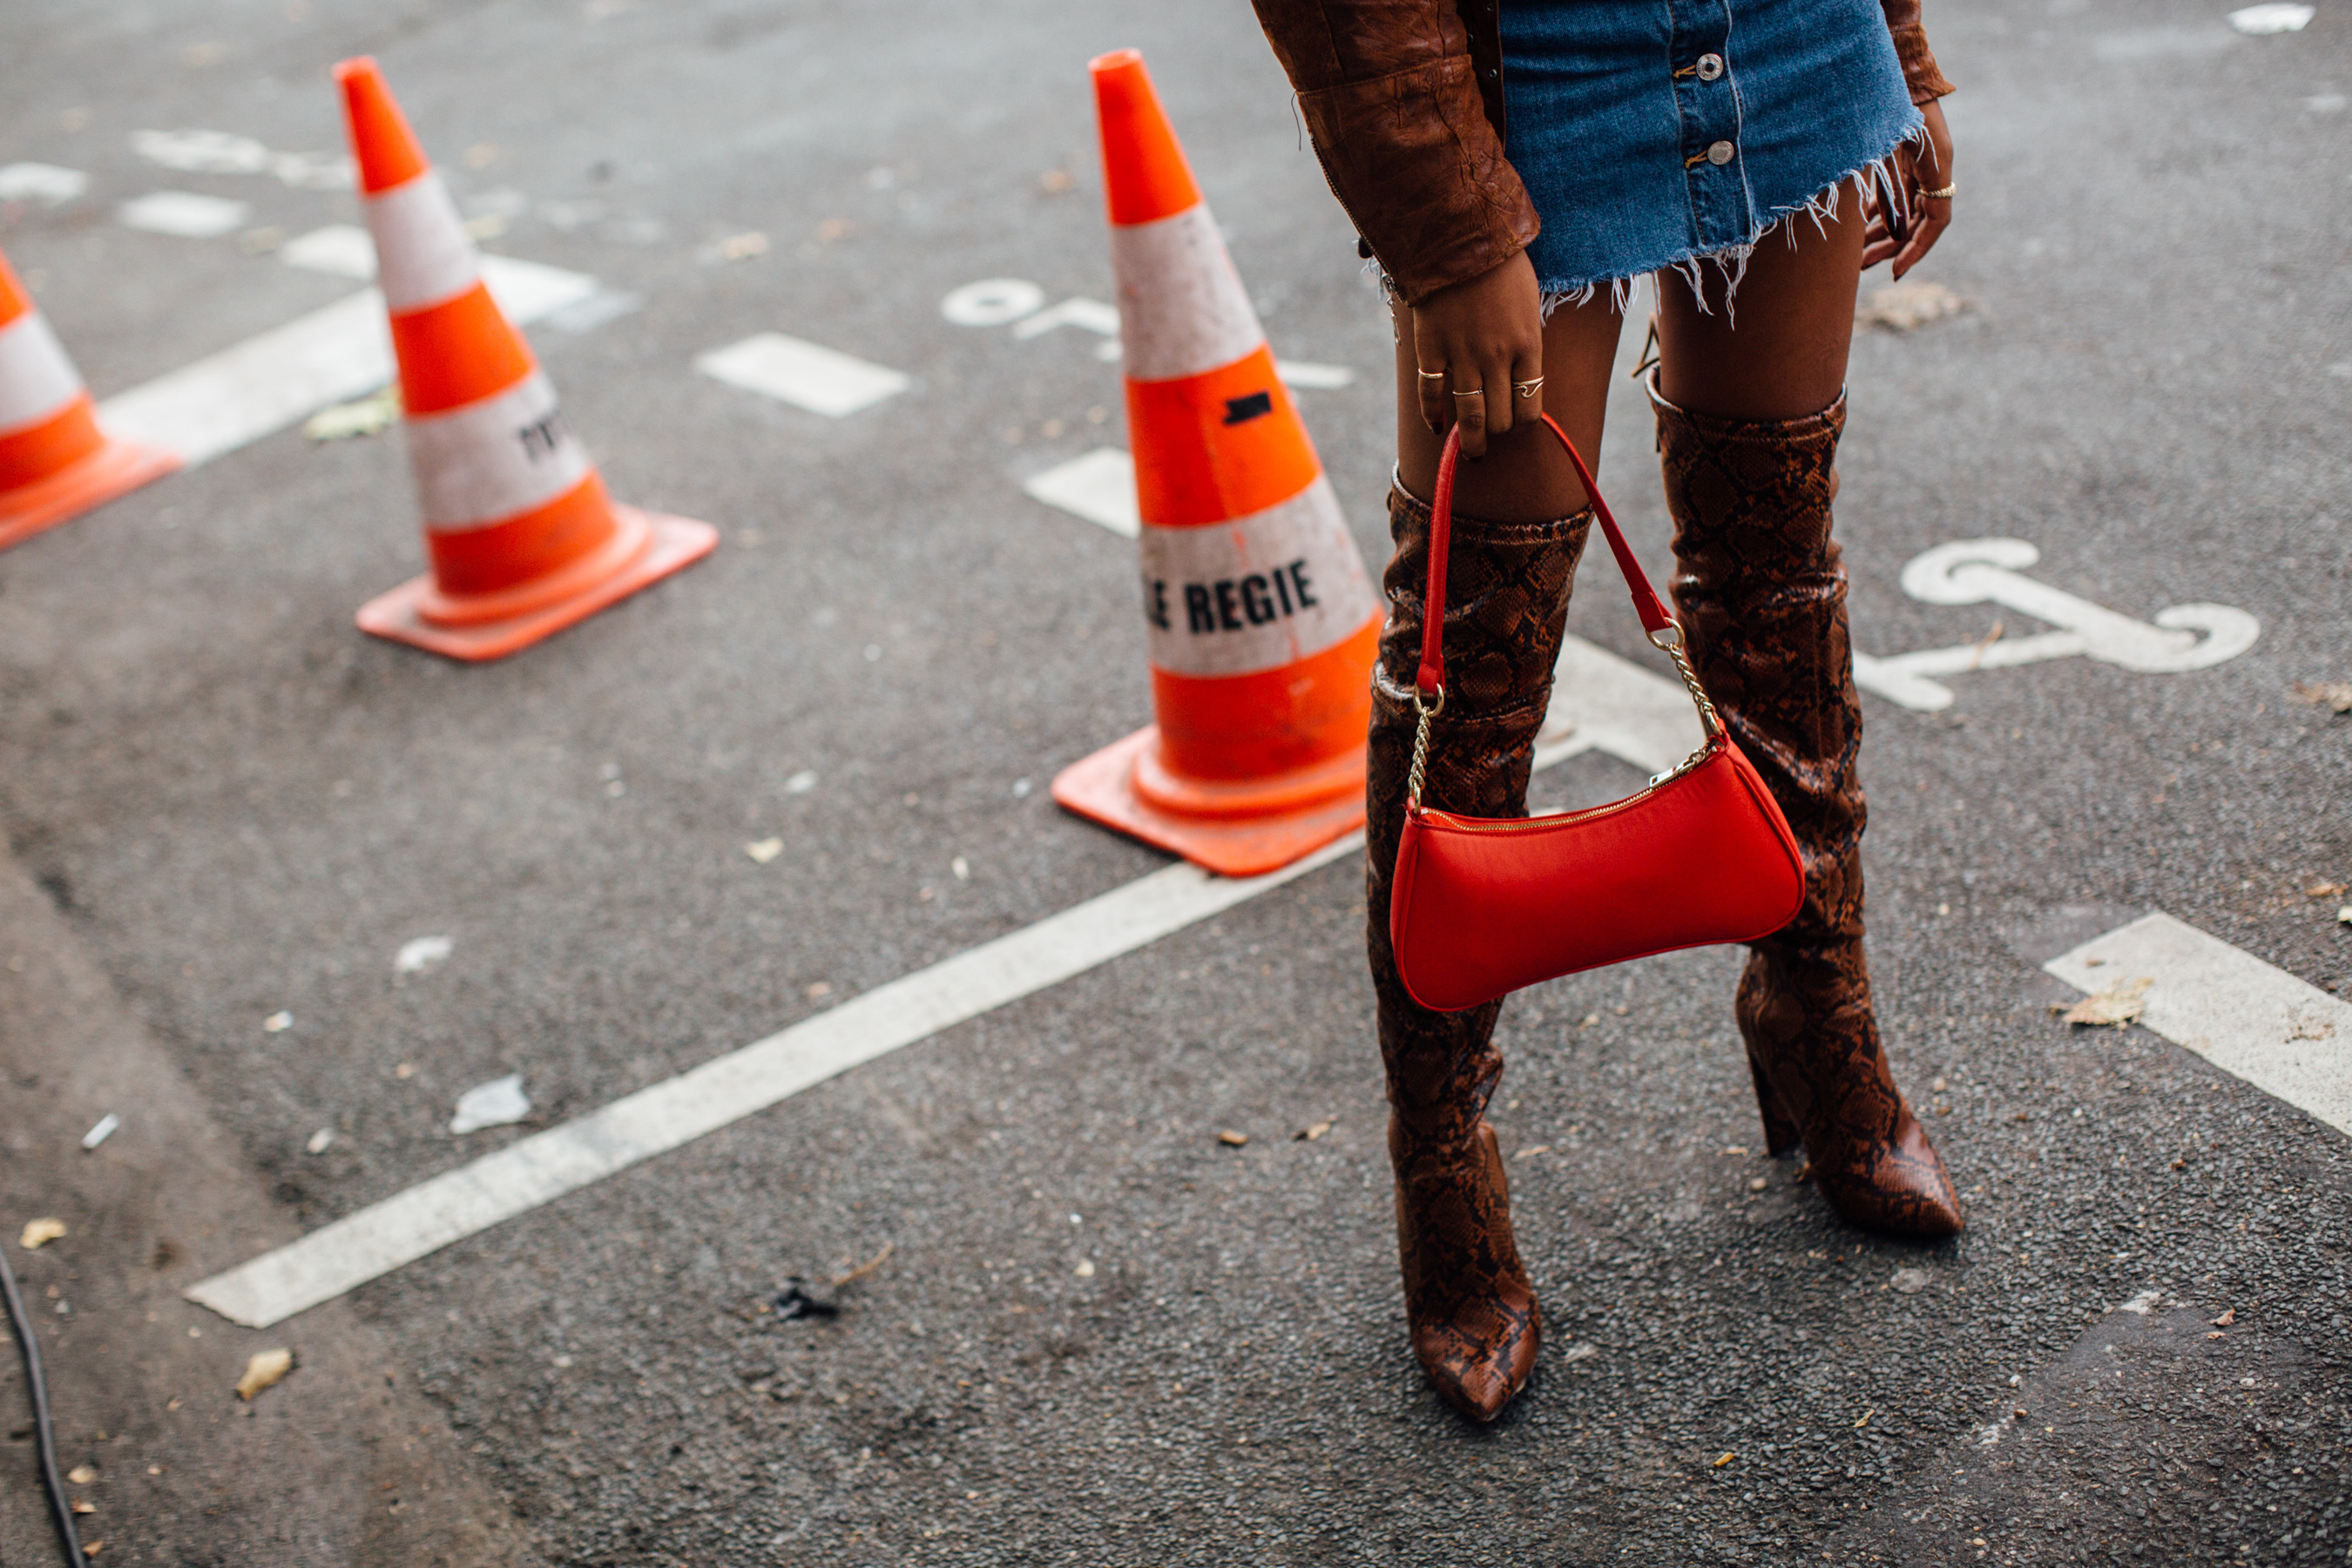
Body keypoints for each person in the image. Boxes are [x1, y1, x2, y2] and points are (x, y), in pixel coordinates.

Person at [1247, 0, 1967, 1423]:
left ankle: (1817, 1011)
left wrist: (1904, 50)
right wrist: (1448, 224)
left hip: (1800, 38)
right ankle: (1440, 1159)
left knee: (1779, 576)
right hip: (1528, 81)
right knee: (1474, 656)